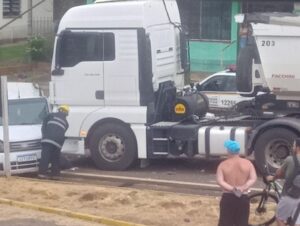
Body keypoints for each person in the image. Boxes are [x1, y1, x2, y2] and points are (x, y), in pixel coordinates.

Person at [216, 139, 257, 226]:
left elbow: (220, 181)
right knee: (242, 222)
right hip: (243, 197)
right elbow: (253, 178)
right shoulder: (248, 163)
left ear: (228, 151)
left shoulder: (223, 165)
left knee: (225, 223)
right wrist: (243, 187)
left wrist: (232, 189)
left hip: (228, 197)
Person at [267, 138, 300, 226]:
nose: (292, 147)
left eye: (293, 145)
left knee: (280, 219)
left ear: (297, 147)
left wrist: (273, 178)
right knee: (296, 221)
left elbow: (279, 173)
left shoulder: (290, 160)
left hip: (291, 194)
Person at [38, 105, 69, 180]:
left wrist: (44, 135)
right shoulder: (66, 123)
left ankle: (42, 173)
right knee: (55, 159)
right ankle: (55, 175)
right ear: (66, 113)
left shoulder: (50, 115)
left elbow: (44, 126)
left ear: (59, 110)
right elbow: (62, 133)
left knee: (45, 157)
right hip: (57, 143)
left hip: (47, 140)